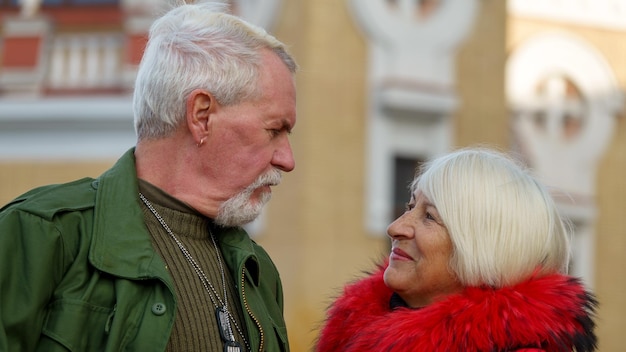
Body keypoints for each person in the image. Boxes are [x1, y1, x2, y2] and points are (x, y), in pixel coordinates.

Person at [0, 2, 297, 351]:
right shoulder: (40, 235)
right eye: (275, 129)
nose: (287, 160)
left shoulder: (257, 271)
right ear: (202, 116)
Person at [316, 148, 598, 352]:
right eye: (410, 206)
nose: (395, 228)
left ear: (482, 249)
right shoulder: (353, 327)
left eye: (430, 217)